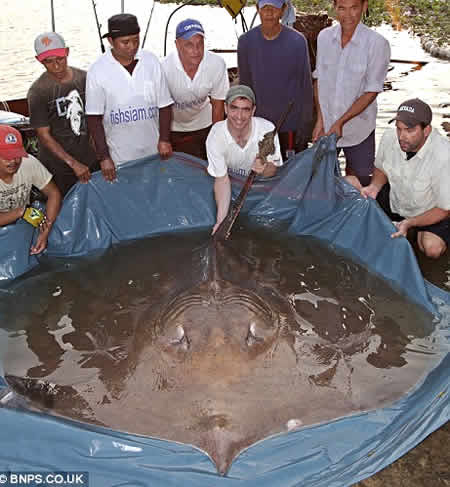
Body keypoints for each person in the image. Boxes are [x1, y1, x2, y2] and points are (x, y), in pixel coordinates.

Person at [354, 99, 450, 259]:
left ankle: (413, 231)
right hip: (397, 198)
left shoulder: (443, 155)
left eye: (409, 130)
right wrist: (374, 187)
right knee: (347, 184)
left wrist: (410, 223)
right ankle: (403, 229)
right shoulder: (389, 137)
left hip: (428, 210)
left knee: (432, 249)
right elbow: (380, 168)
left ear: (426, 130)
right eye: (399, 129)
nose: (402, 136)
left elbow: (445, 209)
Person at [86, 13, 173, 182]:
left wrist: (164, 139)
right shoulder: (97, 70)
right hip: (120, 155)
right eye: (125, 42)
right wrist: (104, 157)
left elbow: (164, 105)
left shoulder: (151, 61)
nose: (132, 46)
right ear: (111, 41)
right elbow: (93, 118)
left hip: (153, 151)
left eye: (136, 40)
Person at [312, 0, 390, 186]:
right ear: (334, 7)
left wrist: (341, 122)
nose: (348, 15)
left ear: (364, 7)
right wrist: (320, 120)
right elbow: (319, 80)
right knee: (322, 182)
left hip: (359, 129)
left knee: (361, 183)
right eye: (342, 8)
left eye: (354, 8)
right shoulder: (324, 37)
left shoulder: (377, 44)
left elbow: (371, 91)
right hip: (327, 126)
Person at [237, 0, 313, 160]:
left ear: (284, 10)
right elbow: (244, 88)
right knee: (260, 173)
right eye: (265, 8)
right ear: (257, 9)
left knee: (289, 173)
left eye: (275, 8)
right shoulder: (245, 42)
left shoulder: (298, 42)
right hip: (258, 125)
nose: (269, 13)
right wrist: (242, 124)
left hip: (289, 124)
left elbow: (306, 87)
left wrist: (305, 126)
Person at [28, 32, 99, 196]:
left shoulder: (85, 78)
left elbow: (97, 116)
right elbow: (44, 136)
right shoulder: (38, 91)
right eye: (48, 61)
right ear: (39, 60)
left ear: (67, 52)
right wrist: (73, 164)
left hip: (90, 157)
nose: (56, 66)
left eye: (60, 58)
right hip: (59, 165)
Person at [206, 85, 282, 234]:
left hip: (261, 188)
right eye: (234, 108)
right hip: (231, 185)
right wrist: (221, 222)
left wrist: (265, 168)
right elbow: (221, 180)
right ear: (226, 108)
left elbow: (274, 170)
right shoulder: (216, 135)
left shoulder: (267, 130)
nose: (239, 116)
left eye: (245, 109)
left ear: (253, 110)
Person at [162, 19, 229, 160]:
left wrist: (216, 139)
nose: (196, 50)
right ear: (177, 45)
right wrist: (163, 139)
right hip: (172, 127)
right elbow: (159, 109)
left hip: (204, 123)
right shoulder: (163, 68)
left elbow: (218, 106)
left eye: (200, 44)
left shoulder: (217, 64)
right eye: (189, 45)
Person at [0, 125, 61, 254]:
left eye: (16, 155)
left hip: (20, 222)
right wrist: (19, 212)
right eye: (6, 156)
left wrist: (46, 230)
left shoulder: (28, 163)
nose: (13, 161)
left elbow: (53, 193)